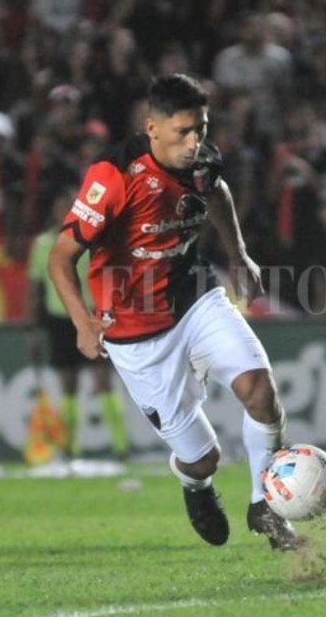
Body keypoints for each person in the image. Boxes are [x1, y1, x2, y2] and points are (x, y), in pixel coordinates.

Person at [48, 73, 301, 550]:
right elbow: (60, 257)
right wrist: (82, 321)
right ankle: (195, 485)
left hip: (195, 296)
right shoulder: (113, 176)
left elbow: (216, 192)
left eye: (201, 129)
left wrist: (239, 254)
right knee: (203, 458)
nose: (194, 142)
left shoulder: (201, 161)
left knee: (262, 393)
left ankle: (265, 507)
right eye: (183, 132)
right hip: (134, 331)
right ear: (152, 127)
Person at [27, 190, 129, 461]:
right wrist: (34, 329)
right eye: (62, 207)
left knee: (103, 380)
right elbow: (34, 288)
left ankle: (120, 446)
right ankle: (70, 448)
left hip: (93, 316)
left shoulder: (93, 240)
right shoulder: (43, 245)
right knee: (68, 385)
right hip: (59, 319)